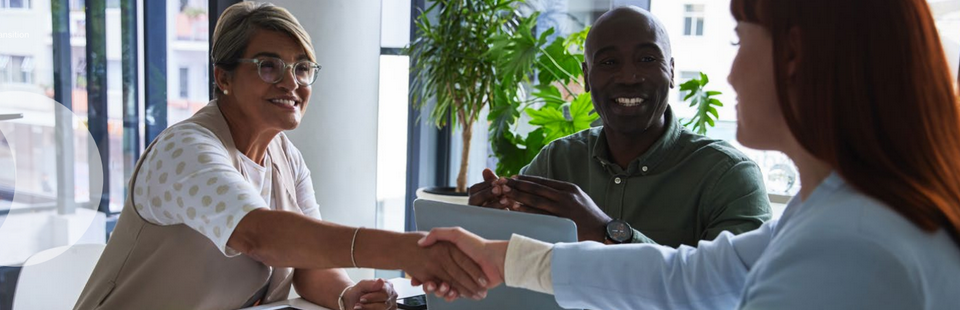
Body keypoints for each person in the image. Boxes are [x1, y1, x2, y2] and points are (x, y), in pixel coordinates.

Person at [418, 0, 960, 308]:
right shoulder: (835, 209)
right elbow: (688, 278)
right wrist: (505, 257)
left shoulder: (849, 246)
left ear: (793, 57)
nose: (729, 73)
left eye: (739, 43)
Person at [75, 3, 490, 310]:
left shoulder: (285, 158)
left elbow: (307, 264)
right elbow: (261, 236)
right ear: (223, 78)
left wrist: (347, 295)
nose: (292, 82)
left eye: (302, 67)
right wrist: (408, 250)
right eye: (269, 66)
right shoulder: (186, 150)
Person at [469, 6, 771, 247]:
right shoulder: (555, 162)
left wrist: (607, 232)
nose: (629, 76)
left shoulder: (728, 176)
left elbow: (733, 294)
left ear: (672, 72)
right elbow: (512, 265)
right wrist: (489, 226)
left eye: (648, 58)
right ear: (586, 77)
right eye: (609, 62)